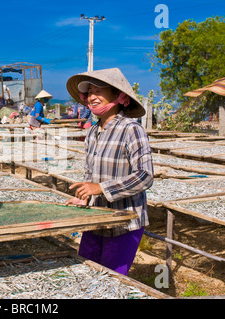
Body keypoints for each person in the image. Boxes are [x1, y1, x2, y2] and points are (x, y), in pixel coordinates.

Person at [65, 68, 154, 276]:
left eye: (99, 91)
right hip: (96, 220)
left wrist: (101, 188)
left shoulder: (131, 129)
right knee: (88, 274)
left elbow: (145, 175)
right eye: (89, 92)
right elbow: (90, 174)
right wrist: (85, 198)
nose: (92, 97)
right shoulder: (93, 132)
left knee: (112, 279)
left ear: (119, 95)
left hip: (124, 222)